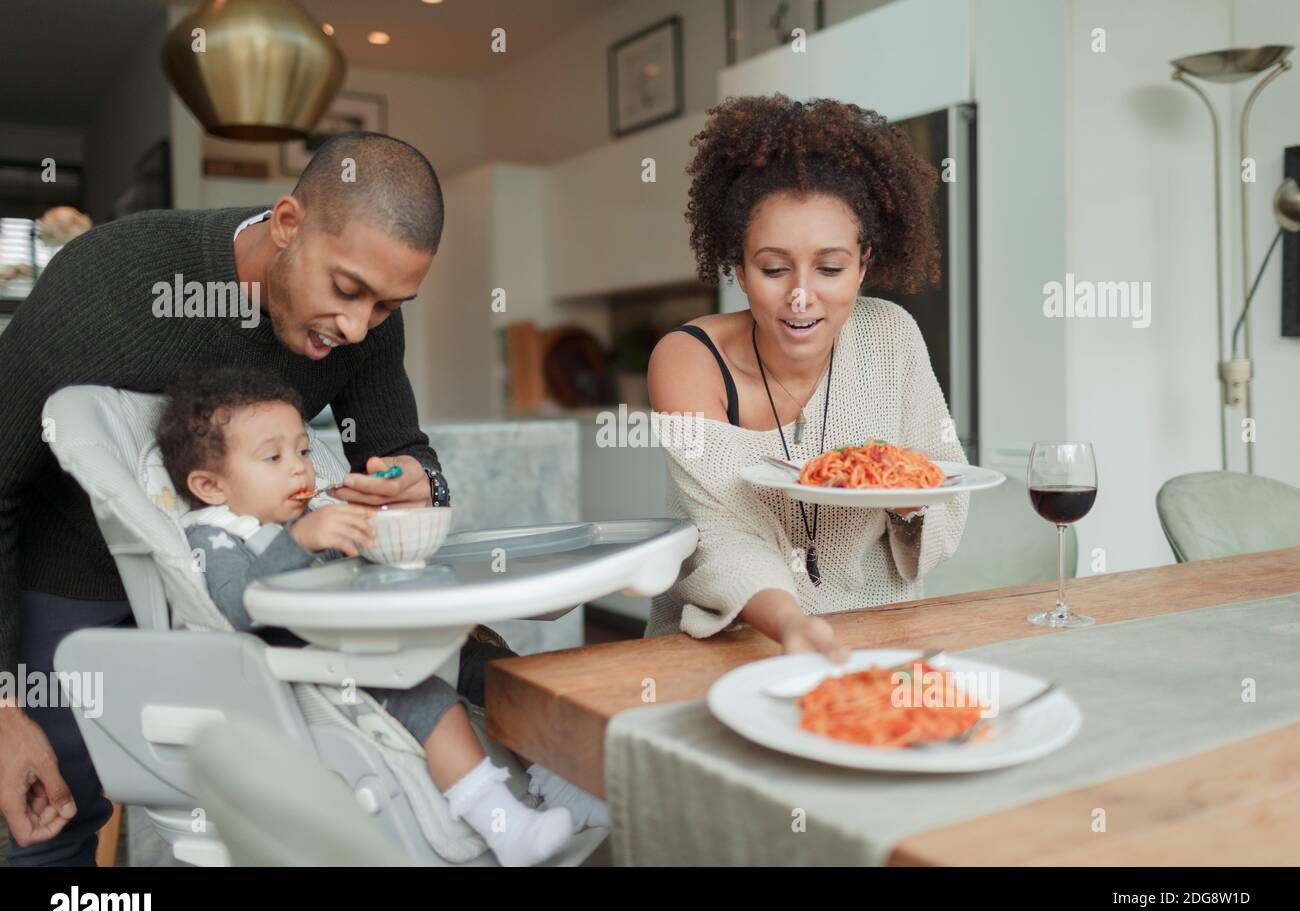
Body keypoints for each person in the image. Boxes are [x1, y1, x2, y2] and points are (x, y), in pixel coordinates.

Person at [3, 131, 463, 865]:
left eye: (385, 307)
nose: (355, 327)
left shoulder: (366, 315)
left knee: (257, 807)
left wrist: (417, 483)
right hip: (75, 575)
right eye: (345, 291)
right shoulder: (110, 281)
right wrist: (0, 708)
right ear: (287, 223)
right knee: (51, 817)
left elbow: (403, 451)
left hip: (243, 589)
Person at [157, 366, 578, 866]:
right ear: (210, 486)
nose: (299, 469)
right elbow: (231, 606)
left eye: (305, 451)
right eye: (273, 457)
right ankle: (506, 827)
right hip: (313, 677)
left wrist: (371, 533)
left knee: (490, 667)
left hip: (370, 645)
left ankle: (557, 784)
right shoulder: (216, 536)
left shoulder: (303, 514)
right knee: (427, 696)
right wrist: (301, 541)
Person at [645, 95, 970, 659]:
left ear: (864, 263)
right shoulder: (687, 359)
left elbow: (945, 486)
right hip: (731, 643)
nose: (800, 295)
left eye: (830, 268)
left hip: (883, 636)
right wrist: (792, 624)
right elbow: (722, 536)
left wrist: (909, 500)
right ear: (739, 268)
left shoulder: (892, 334)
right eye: (773, 268)